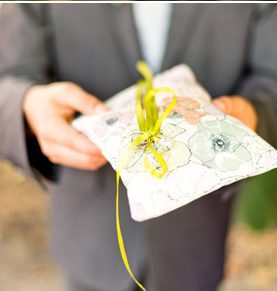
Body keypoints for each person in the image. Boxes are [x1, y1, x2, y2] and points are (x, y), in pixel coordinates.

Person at [0, 3, 276, 291]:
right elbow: (6, 78)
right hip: (91, 238)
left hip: (195, 241)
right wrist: (28, 106)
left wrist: (252, 114)